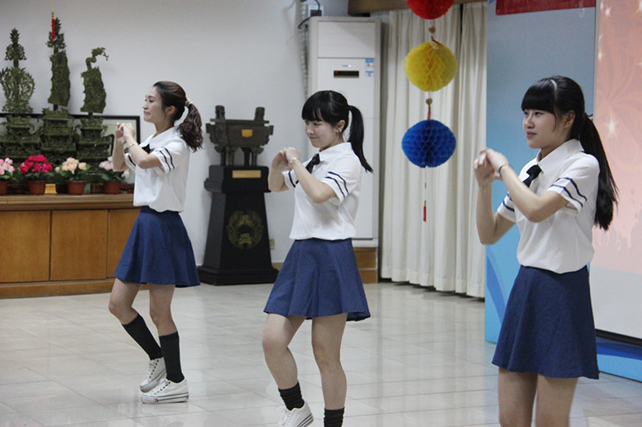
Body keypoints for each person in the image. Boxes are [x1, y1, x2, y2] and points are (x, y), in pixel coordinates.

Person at [474, 76, 618, 427]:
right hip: (526, 288)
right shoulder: (529, 169)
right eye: (526, 113)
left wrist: (503, 167)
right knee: (510, 419)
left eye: (539, 113)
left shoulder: (583, 164)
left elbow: (537, 209)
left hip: (562, 293)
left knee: (551, 421)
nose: (528, 122)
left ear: (568, 119)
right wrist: (483, 187)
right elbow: (489, 233)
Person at [262, 90, 372, 427]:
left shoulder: (347, 161)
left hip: (331, 256)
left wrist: (296, 162)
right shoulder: (314, 161)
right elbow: (277, 187)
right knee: (272, 340)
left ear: (339, 125)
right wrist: (276, 167)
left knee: (325, 354)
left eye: (317, 123)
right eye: (307, 123)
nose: (310, 130)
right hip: (301, 255)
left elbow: (321, 193)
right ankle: (296, 408)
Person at [108, 81, 203, 404]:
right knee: (118, 304)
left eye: (151, 101)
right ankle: (158, 358)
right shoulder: (151, 140)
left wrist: (131, 140)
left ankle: (177, 381)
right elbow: (120, 165)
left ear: (170, 109)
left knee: (159, 312)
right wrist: (119, 141)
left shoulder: (177, 144)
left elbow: (146, 162)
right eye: (145, 99)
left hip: (163, 227)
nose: (145, 105)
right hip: (145, 224)